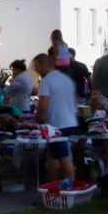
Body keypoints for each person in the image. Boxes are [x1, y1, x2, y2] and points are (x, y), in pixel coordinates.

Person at [33, 53, 79, 182]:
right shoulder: (66, 79)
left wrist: (35, 121)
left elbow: (42, 106)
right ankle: (55, 184)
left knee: (63, 157)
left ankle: (71, 188)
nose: (35, 69)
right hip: (69, 121)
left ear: (44, 64)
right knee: (53, 155)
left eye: (36, 66)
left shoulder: (46, 81)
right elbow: (75, 100)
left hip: (58, 124)